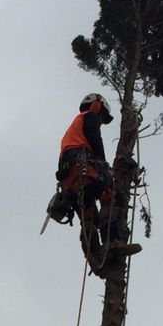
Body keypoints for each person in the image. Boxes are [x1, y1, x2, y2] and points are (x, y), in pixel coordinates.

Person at [57, 93, 116, 242]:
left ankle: (94, 254)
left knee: (90, 219)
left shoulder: (72, 133)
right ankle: (112, 240)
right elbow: (95, 138)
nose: (100, 121)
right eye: (102, 116)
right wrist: (104, 164)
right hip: (82, 167)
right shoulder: (90, 116)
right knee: (109, 189)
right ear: (96, 106)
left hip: (70, 182)